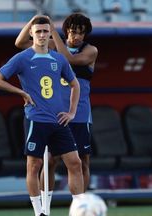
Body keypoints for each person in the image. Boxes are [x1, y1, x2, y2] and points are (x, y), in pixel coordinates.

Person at [0, 16, 84, 216]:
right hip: (36, 119)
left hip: (59, 120)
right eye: (38, 31)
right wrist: (21, 93)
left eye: (45, 31)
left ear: (51, 33)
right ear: (31, 33)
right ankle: (39, 212)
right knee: (35, 165)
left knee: (75, 163)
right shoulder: (22, 57)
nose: (42, 35)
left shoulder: (59, 58)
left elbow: (75, 84)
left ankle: (81, 209)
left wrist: (72, 112)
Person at [15, 13, 98, 212]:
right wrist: (36, 20)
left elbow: (68, 58)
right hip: (55, 111)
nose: (75, 37)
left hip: (79, 112)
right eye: (72, 32)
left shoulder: (90, 51)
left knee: (81, 161)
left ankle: (80, 206)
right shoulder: (49, 44)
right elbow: (20, 43)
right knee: (49, 160)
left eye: (80, 33)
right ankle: (45, 207)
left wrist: (52, 31)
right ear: (65, 32)